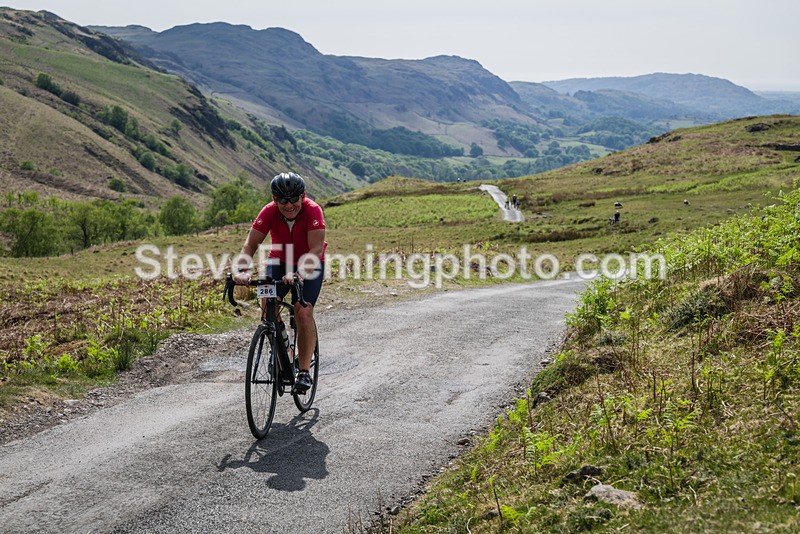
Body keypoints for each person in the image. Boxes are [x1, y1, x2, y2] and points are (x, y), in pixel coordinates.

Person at [233, 172, 327, 392]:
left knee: (303, 311)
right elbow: (250, 245)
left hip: (310, 263)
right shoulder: (268, 212)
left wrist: (300, 272)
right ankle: (280, 349)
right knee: (268, 304)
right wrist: (240, 270)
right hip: (279, 261)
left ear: (303, 196)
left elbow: (315, 249)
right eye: (283, 200)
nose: (289, 205)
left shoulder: (313, 211)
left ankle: (303, 371)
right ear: (275, 199)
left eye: (294, 199)